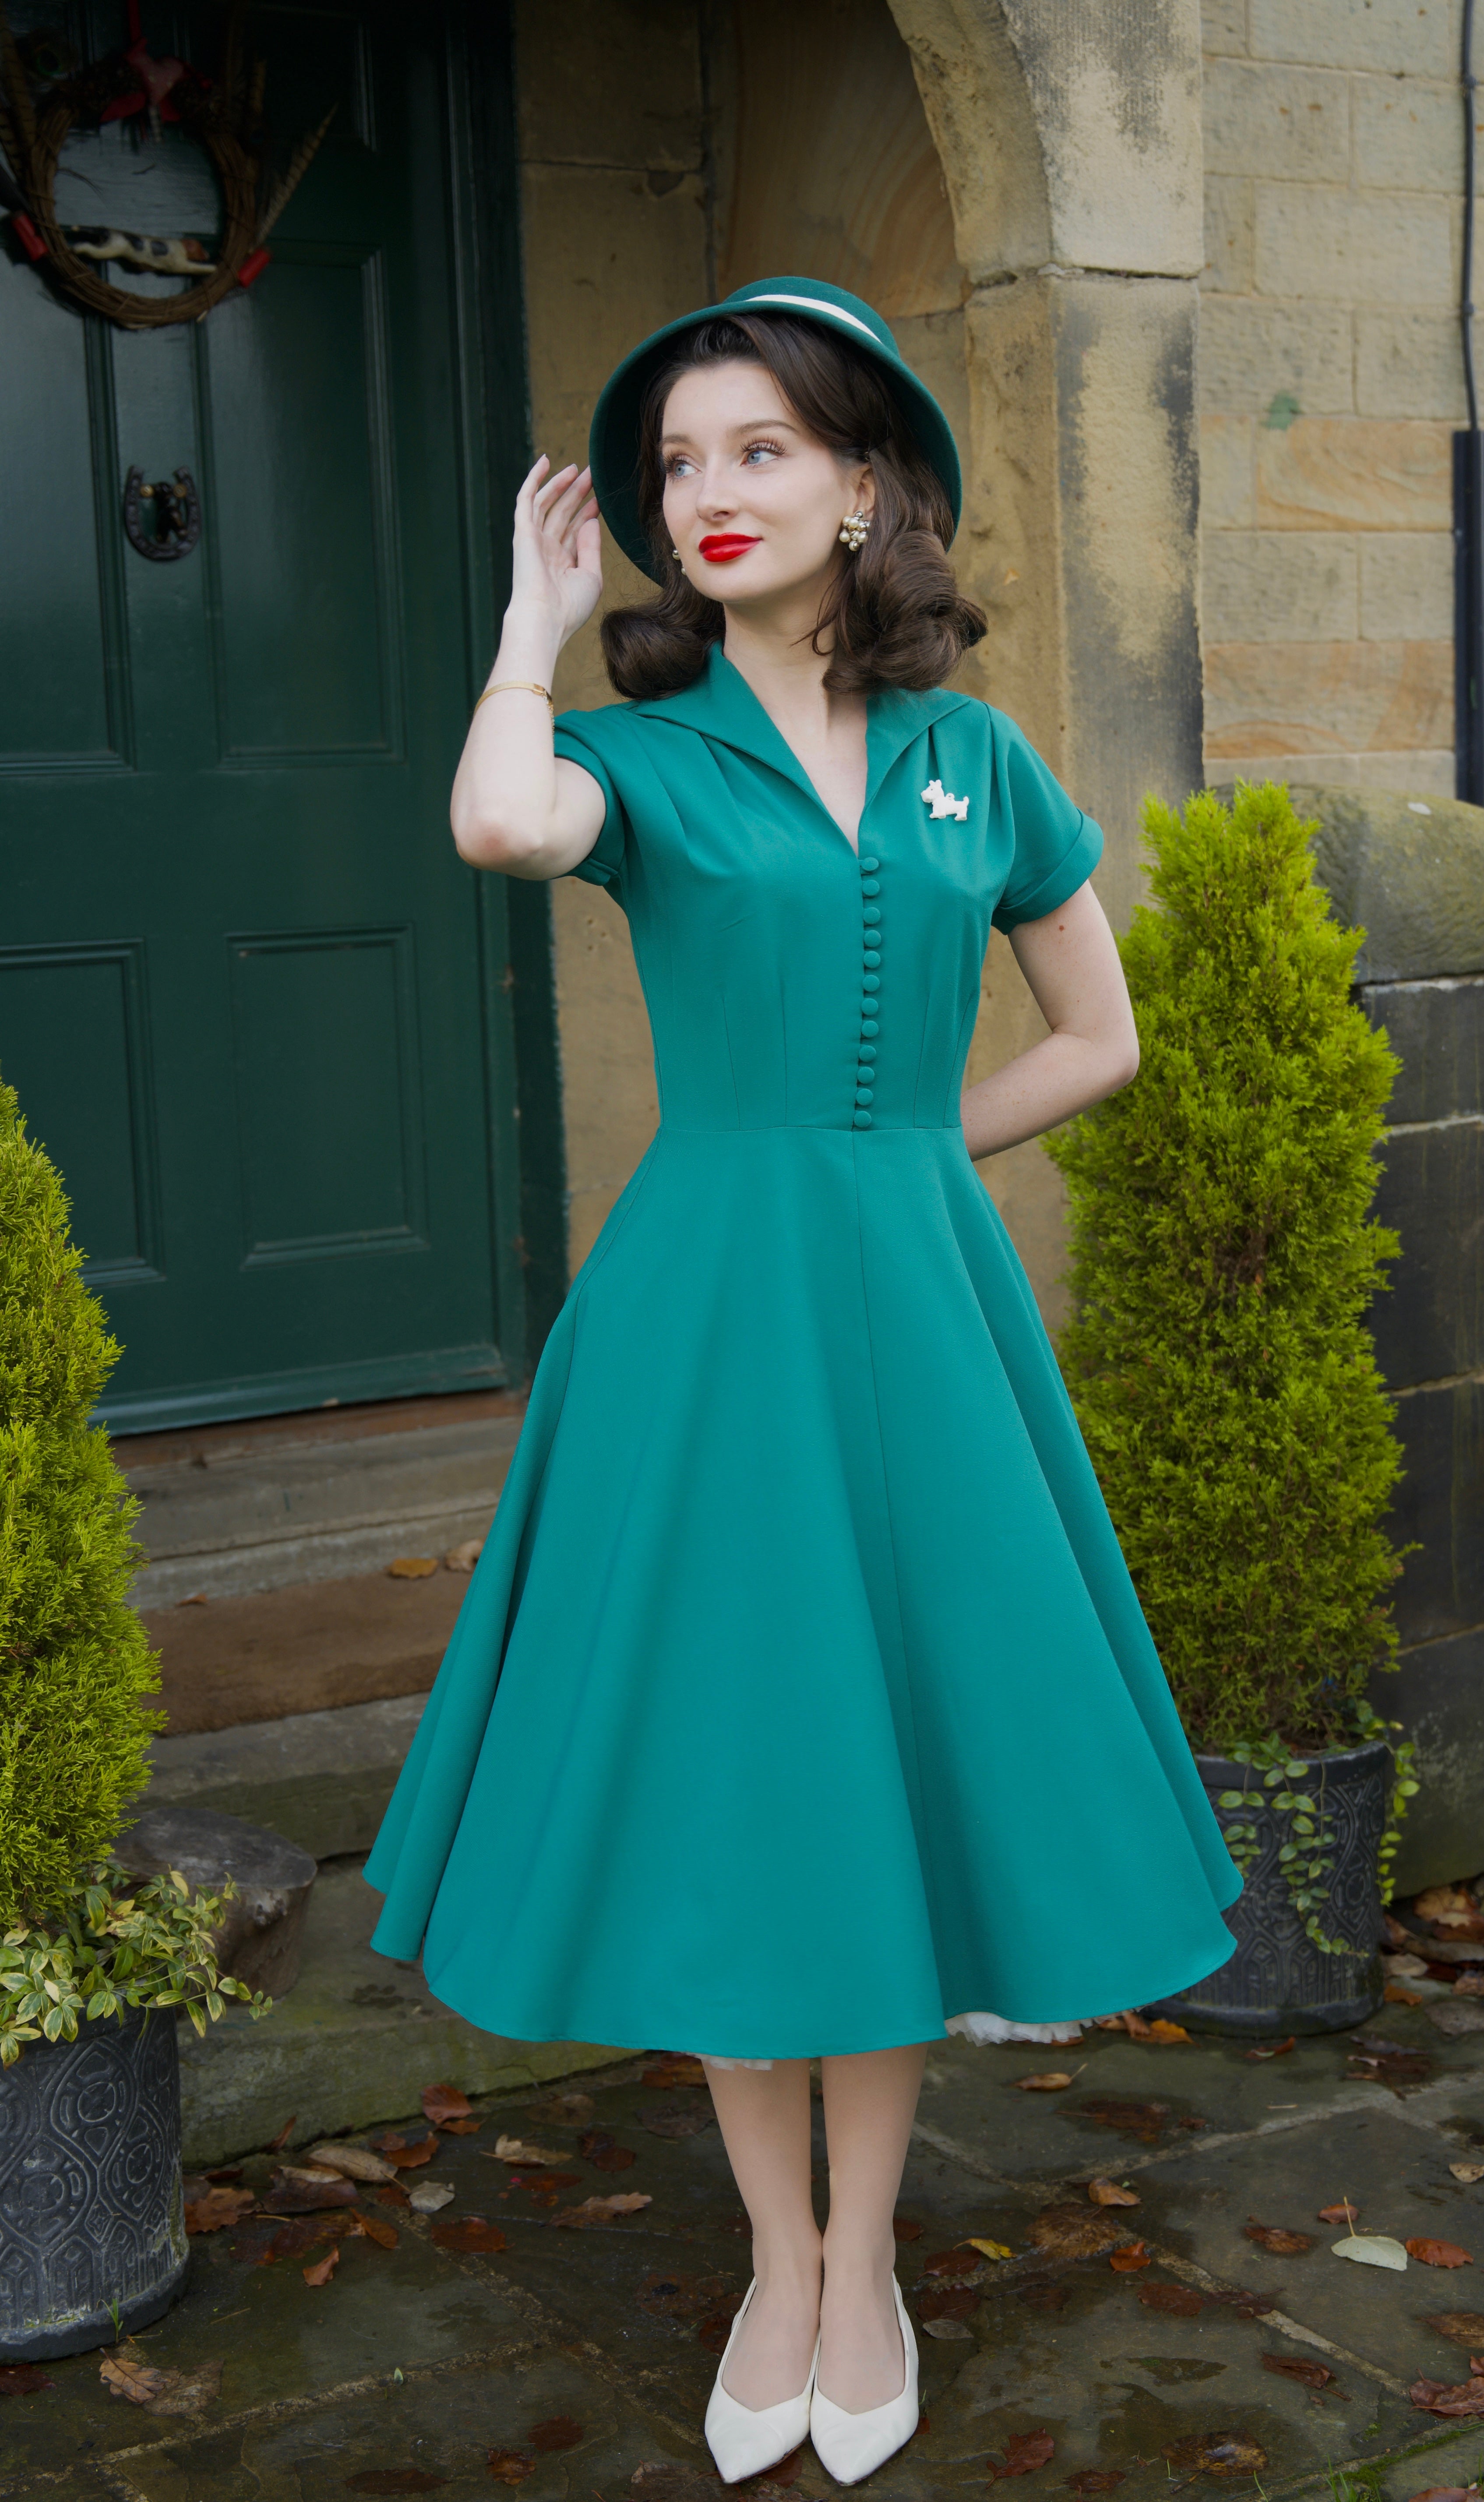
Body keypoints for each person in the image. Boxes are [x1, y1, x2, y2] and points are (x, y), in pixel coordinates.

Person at [363, 276, 1241, 2487]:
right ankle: (778, 2255)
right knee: (744, 1776)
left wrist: (900, 1157)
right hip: (702, 1324)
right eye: (676, 464)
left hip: (918, 1309)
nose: (709, 494)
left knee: (890, 1782)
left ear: (865, 483)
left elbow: (1098, 1036)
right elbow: (491, 828)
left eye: (758, 449)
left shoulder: (981, 759)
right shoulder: (642, 756)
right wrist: (524, 633)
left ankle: (867, 2277)